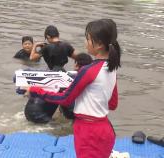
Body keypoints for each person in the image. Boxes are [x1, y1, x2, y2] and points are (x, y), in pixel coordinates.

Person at [25, 19, 121, 158]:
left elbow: (64, 99)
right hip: (105, 130)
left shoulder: (88, 70)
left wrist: (35, 90)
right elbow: (112, 104)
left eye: (87, 39)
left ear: (99, 44)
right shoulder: (111, 68)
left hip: (88, 132)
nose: (85, 42)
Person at [24, 25, 76, 123]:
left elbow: (32, 58)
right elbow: (78, 57)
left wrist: (35, 45)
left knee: (39, 92)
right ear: (58, 34)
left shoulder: (46, 47)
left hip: (50, 74)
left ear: (47, 37)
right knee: (63, 96)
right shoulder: (66, 46)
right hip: (62, 73)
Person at [59, 53, 93, 119]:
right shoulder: (93, 78)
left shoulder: (67, 77)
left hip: (70, 113)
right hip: (87, 112)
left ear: (76, 65)